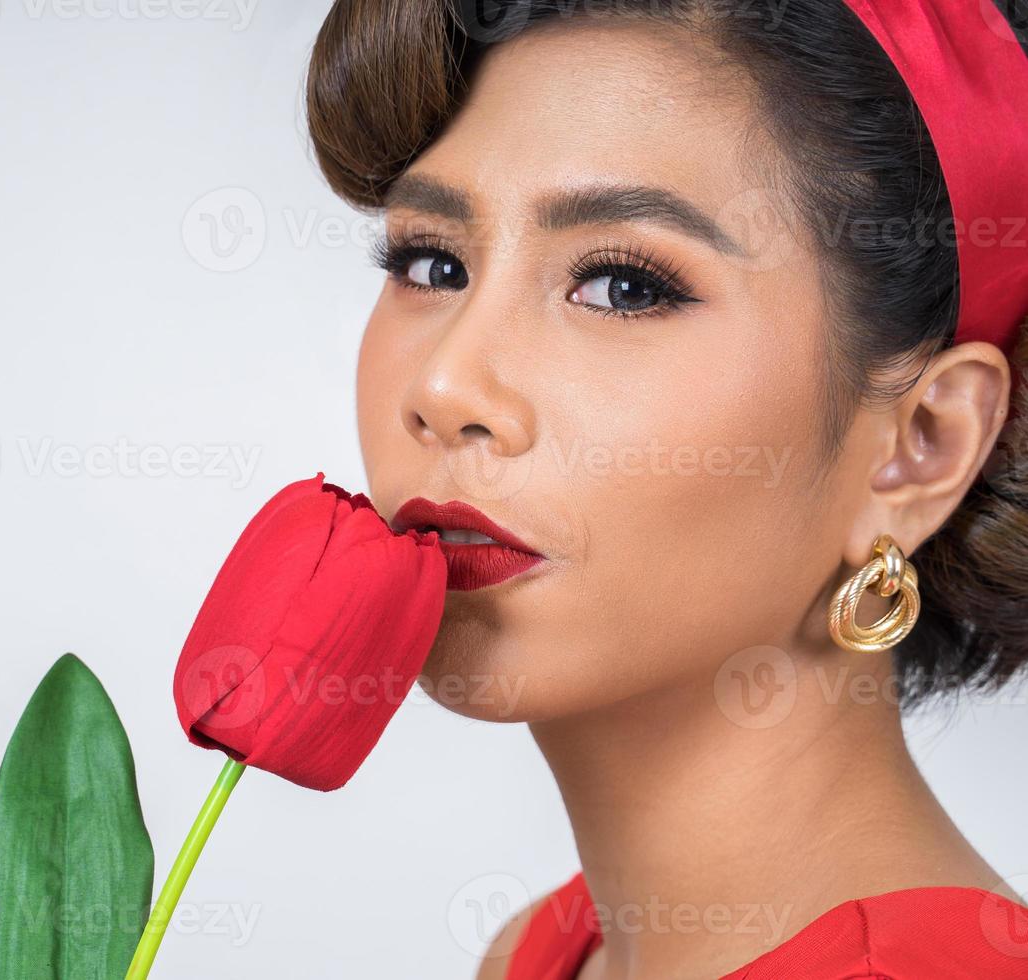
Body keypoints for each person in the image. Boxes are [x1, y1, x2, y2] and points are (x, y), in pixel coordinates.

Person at [303, 0, 1028, 976]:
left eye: (624, 285)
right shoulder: (542, 951)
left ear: (921, 447)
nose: (445, 387)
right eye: (433, 262)